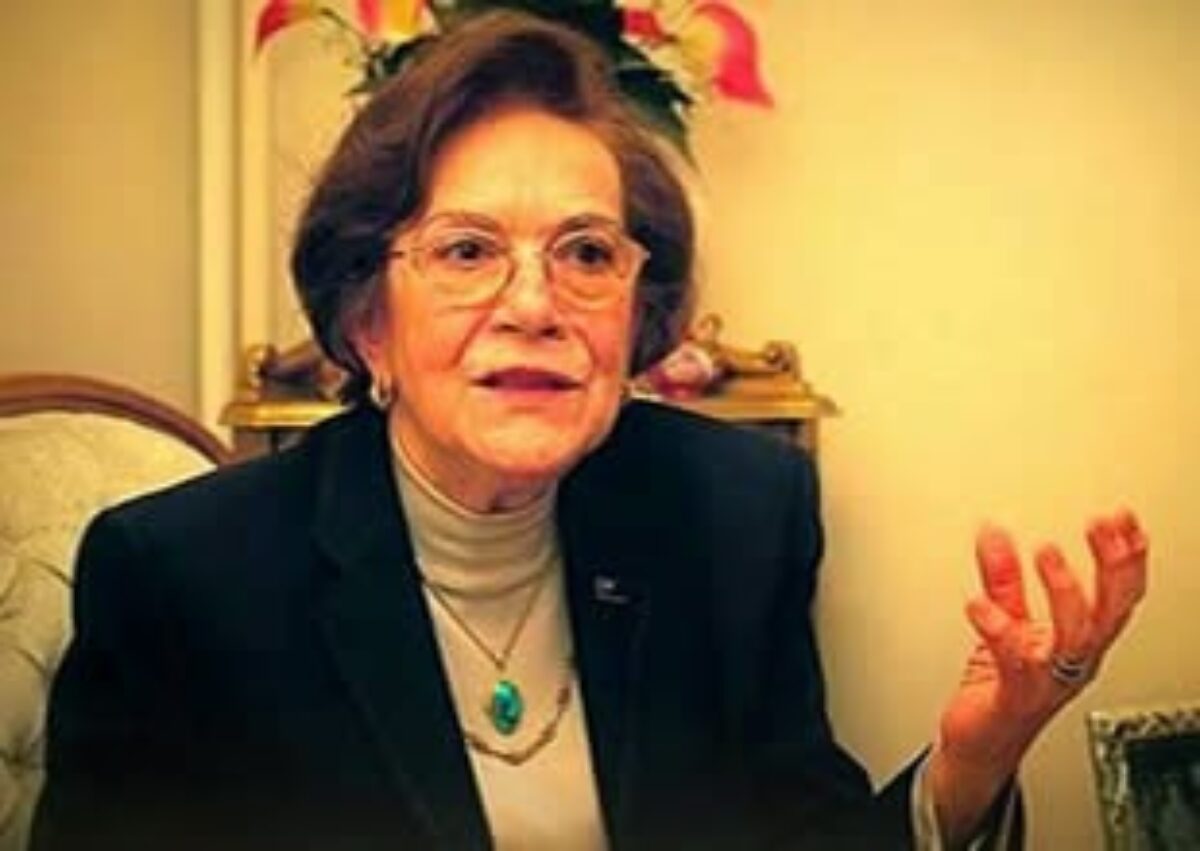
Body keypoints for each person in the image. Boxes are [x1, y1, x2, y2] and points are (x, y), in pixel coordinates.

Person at [31, 10, 1149, 851]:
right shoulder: (181, 578)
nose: (535, 303)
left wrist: (969, 763)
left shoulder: (732, 517)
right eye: (468, 250)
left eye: (586, 252)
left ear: (635, 315)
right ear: (369, 322)